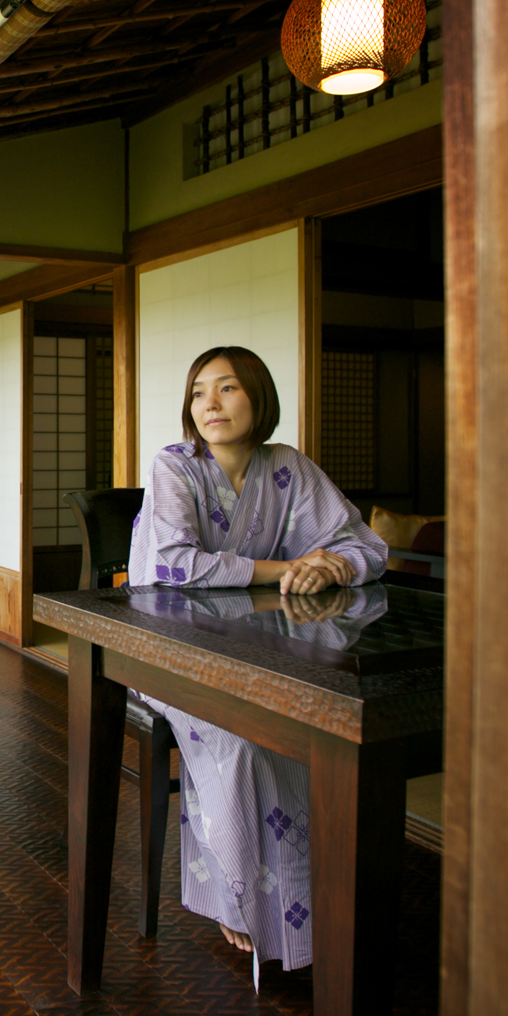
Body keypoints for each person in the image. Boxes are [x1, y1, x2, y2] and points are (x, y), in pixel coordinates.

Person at [126, 344, 388, 982]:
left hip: (252, 650)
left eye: (228, 389)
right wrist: (286, 569)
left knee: (304, 730)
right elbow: (171, 567)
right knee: (239, 738)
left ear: (258, 397)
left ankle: (302, 906)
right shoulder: (175, 466)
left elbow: (365, 543)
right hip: (166, 650)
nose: (210, 404)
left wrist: (332, 563)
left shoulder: (288, 468)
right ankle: (238, 898)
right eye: (198, 393)